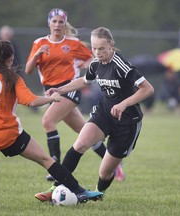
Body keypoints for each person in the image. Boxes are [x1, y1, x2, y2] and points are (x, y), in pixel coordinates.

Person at [0, 40, 103, 208]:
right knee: (45, 159)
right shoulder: (13, 79)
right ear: (10, 59)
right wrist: (52, 98)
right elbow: (31, 101)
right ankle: (78, 190)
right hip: (9, 135)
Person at [35, 27, 154, 202]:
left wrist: (123, 103)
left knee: (105, 173)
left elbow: (147, 89)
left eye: (101, 48)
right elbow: (84, 80)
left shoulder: (122, 65)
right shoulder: (96, 65)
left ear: (111, 46)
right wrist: (59, 89)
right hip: (104, 113)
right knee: (80, 143)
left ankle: (98, 193)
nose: (97, 53)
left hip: (127, 122)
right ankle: (55, 187)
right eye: (94, 48)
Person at [25, 8, 122, 182]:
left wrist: (86, 64)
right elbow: (28, 70)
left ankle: (55, 165)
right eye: (54, 21)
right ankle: (114, 164)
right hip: (51, 91)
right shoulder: (39, 43)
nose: (57, 25)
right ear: (49, 23)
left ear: (64, 24)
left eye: (61, 22)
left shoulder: (72, 43)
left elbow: (94, 56)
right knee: (85, 132)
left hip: (69, 88)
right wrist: (38, 54)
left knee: (47, 121)